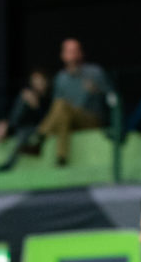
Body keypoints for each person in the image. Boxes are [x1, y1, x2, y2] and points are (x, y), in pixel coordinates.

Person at [37, 38, 112, 166]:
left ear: (81, 53)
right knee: (61, 107)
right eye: (68, 51)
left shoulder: (95, 72)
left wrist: (96, 91)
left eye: (75, 51)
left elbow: (112, 97)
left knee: (61, 106)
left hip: (92, 118)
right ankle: (61, 158)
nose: (72, 55)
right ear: (63, 55)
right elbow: (55, 107)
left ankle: (39, 136)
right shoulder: (60, 78)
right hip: (68, 120)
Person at [0, 68, 51, 171]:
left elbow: (48, 119)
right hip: (21, 126)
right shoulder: (30, 94)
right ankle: (6, 126)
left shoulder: (49, 96)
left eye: (40, 80)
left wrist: (36, 106)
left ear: (45, 81)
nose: (37, 83)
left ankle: (7, 127)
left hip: (39, 128)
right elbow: (18, 112)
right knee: (22, 99)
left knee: (23, 133)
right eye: (35, 80)